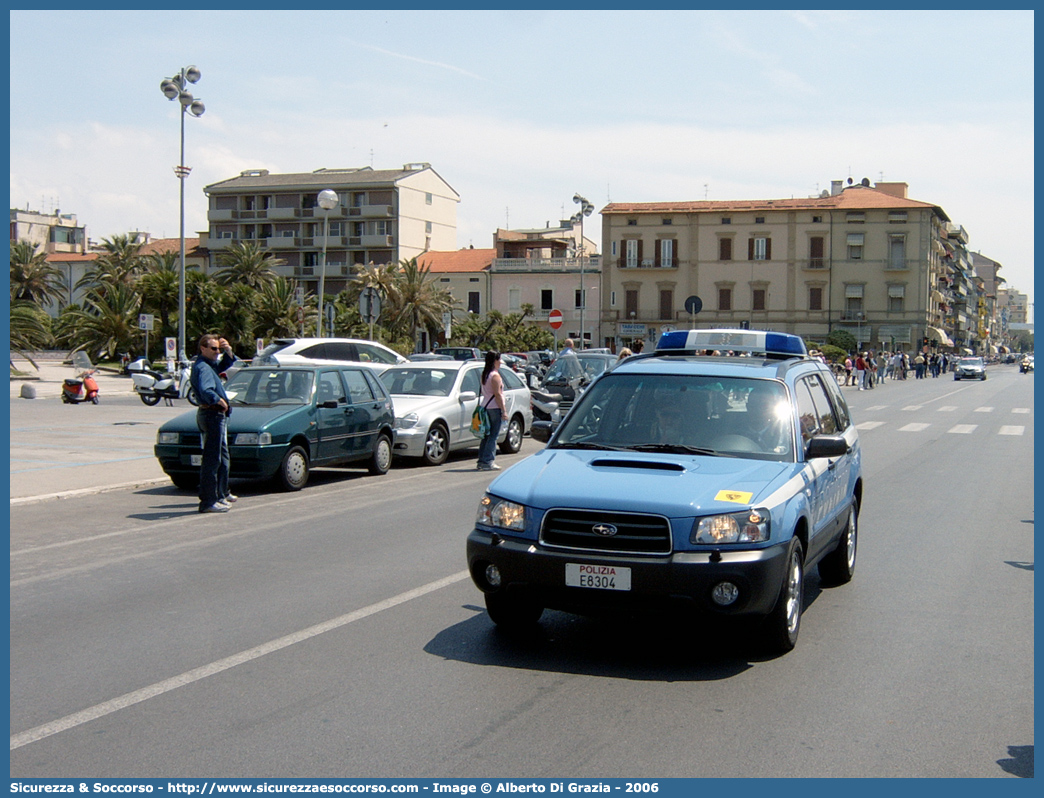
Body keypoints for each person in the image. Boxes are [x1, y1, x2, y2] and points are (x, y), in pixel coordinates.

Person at [190, 334, 237, 513]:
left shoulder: (209, 365)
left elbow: (224, 365)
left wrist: (228, 351)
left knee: (219, 457)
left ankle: (218, 495)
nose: (217, 352)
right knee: (211, 460)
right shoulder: (203, 367)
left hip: (213, 414)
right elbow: (206, 389)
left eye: (218, 348)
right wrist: (219, 400)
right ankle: (208, 501)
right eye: (214, 349)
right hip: (211, 414)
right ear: (203, 348)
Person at [476, 350, 507, 471]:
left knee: (486, 436)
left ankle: (482, 460)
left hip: (486, 406)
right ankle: (488, 461)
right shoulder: (495, 376)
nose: (500, 363)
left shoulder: (485, 374)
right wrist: (504, 411)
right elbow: (497, 394)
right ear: (495, 361)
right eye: (499, 360)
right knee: (493, 436)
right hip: (494, 407)